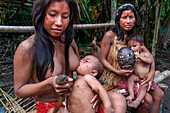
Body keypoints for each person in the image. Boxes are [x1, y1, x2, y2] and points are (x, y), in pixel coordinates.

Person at [13, 0, 80, 113]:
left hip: (75, 102)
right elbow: (19, 91)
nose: (59, 22)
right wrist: (49, 83)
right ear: (41, 14)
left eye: (65, 16)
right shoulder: (27, 48)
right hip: (51, 108)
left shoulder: (70, 42)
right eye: (52, 15)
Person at [99, 3, 164, 113]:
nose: (128, 21)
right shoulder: (110, 35)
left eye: (131, 17)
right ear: (118, 19)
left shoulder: (134, 37)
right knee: (147, 100)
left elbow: (150, 57)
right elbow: (102, 59)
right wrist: (117, 71)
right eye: (124, 17)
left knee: (159, 94)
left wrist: (151, 73)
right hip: (116, 78)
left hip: (134, 76)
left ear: (135, 19)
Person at [125, 34, 154, 108]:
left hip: (144, 79)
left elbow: (150, 61)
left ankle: (137, 102)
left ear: (142, 45)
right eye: (130, 47)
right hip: (136, 77)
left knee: (144, 87)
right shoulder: (132, 55)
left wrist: (139, 57)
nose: (132, 48)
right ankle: (131, 94)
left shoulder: (145, 54)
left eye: (134, 46)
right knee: (130, 77)